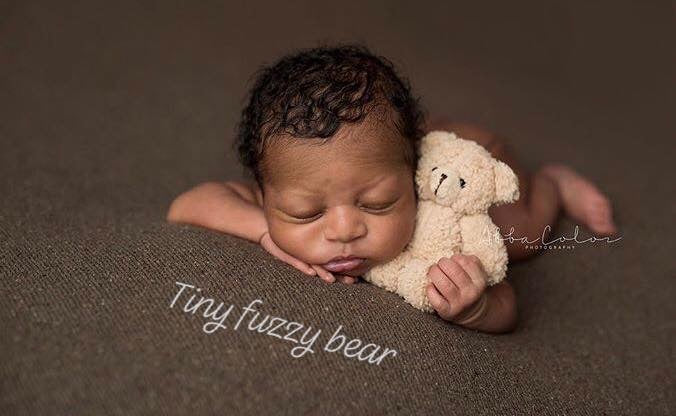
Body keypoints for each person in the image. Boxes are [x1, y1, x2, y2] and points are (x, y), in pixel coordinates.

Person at [166, 44, 616, 333]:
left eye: (378, 204)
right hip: (385, 147)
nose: (345, 229)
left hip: (470, 159)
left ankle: (554, 182)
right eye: (305, 213)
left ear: (414, 181)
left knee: (524, 236)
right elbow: (187, 204)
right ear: (264, 195)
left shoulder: (439, 227)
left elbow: (507, 305)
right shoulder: (291, 183)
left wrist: (476, 307)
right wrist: (263, 228)